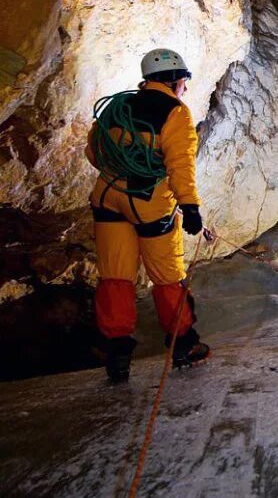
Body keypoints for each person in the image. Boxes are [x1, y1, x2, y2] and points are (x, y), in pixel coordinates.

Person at [85, 48, 210, 382]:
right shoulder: (175, 113)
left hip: (109, 196)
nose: (184, 86)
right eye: (183, 79)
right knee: (168, 276)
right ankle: (183, 343)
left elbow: (94, 150)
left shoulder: (119, 106)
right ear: (173, 79)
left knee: (115, 275)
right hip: (148, 202)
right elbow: (180, 165)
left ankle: (116, 350)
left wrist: (122, 169)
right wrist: (190, 206)